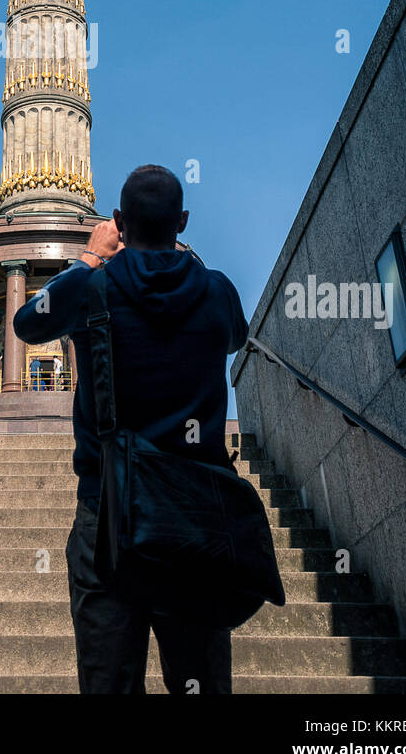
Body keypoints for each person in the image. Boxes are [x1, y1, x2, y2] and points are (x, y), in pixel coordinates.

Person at [12, 163, 249, 695]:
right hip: (195, 519)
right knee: (203, 684)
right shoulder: (216, 293)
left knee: (110, 686)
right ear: (182, 221)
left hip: (109, 517)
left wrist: (92, 256)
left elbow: (28, 322)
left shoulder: (93, 290)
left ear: (117, 221)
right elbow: (236, 336)